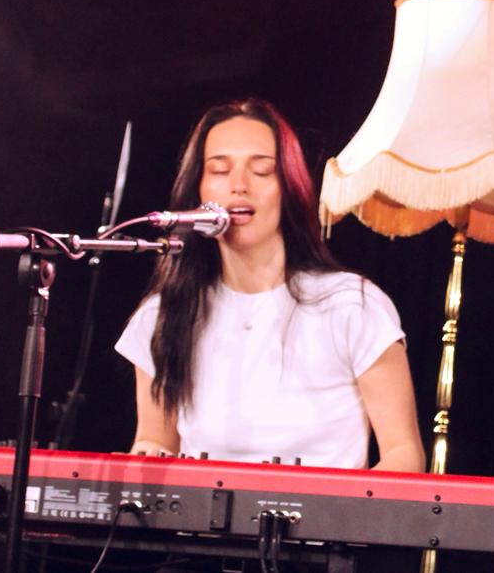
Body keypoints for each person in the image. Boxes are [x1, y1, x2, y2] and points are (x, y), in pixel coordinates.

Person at [115, 97, 424, 471]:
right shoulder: (164, 314)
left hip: (323, 510)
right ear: (198, 191)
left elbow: (403, 454)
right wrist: (147, 455)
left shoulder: (352, 305)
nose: (239, 185)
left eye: (261, 171)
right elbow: (154, 442)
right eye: (219, 170)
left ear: (289, 187)